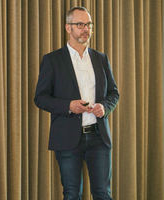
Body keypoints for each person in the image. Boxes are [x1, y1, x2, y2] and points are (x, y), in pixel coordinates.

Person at [34, 6, 119, 200]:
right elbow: (40, 98)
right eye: (80, 24)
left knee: (103, 194)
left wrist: (105, 107)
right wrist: (68, 106)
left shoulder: (101, 59)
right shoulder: (53, 60)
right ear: (68, 28)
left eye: (88, 24)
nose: (85, 29)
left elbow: (114, 93)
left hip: (99, 137)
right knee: (72, 194)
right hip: (67, 138)